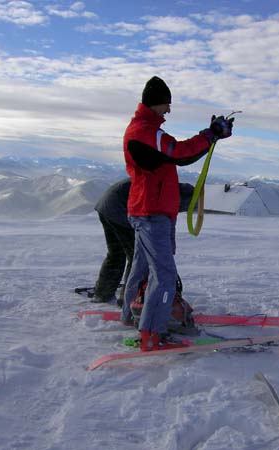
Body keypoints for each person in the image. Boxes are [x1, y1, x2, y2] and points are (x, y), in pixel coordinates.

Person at [121, 75, 234, 351]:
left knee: (141, 268)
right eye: (166, 104)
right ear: (156, 102)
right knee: (164, 276)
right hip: (152, 213)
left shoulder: (144, 129)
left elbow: (175, 156)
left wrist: (211, 137)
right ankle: (151, 332)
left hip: (147, 210)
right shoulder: (147, 131)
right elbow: (180, 153)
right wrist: (211, 135)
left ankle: (129, 316)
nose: (169, 110)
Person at [91, 178, 195, 306]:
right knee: (135, 256)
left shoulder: (166, 188)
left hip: (106, 206)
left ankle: (103, 293)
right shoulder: (166, 197)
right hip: (119, 209)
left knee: (116, 253)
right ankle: (129, 300)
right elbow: (159, 225)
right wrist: (168, 251)